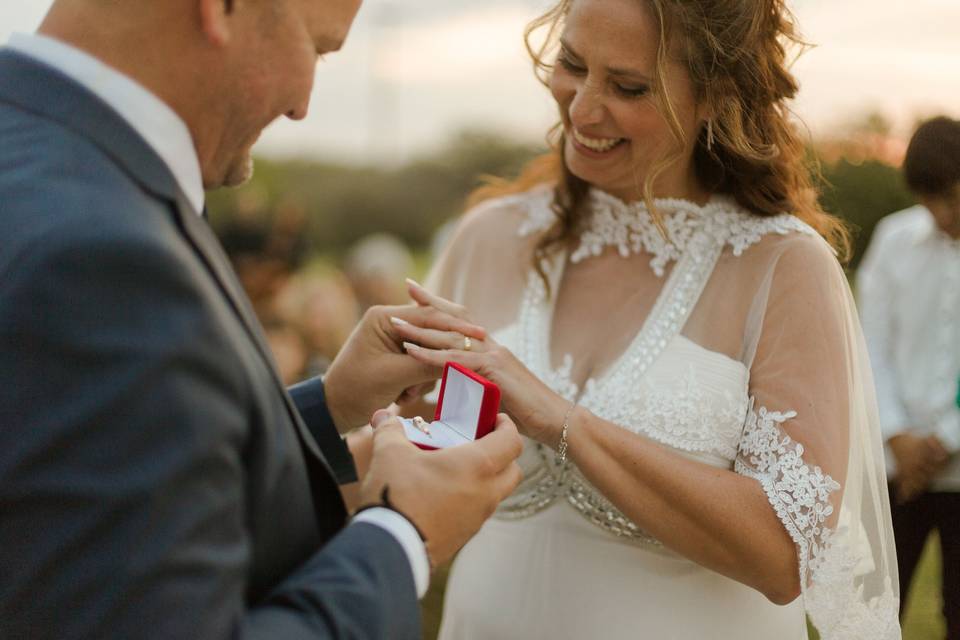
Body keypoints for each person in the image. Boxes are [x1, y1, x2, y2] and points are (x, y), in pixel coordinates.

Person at [0, 1, 523, 638]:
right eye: (319, 48)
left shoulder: (39, 157)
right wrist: (403, 533)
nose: (304, 102)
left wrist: (326, 408)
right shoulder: (106, 254)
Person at [389, 0, 901, 637]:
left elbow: (786, 554)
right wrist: (369, 405)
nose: (581, 108)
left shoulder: (782, 266)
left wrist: (559, 418)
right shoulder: (489, 236)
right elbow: (400, 463)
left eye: (629, 86)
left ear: (715, 96)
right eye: (572, 64)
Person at [858, 116, 960, 636]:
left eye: (952, 196)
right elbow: (870, 345)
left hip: (956, 467)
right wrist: (898, 434)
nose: (944, 213)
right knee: (874, 612)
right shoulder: (893, 241)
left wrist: (943, 440)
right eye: (932, 199)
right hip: (897, 468)